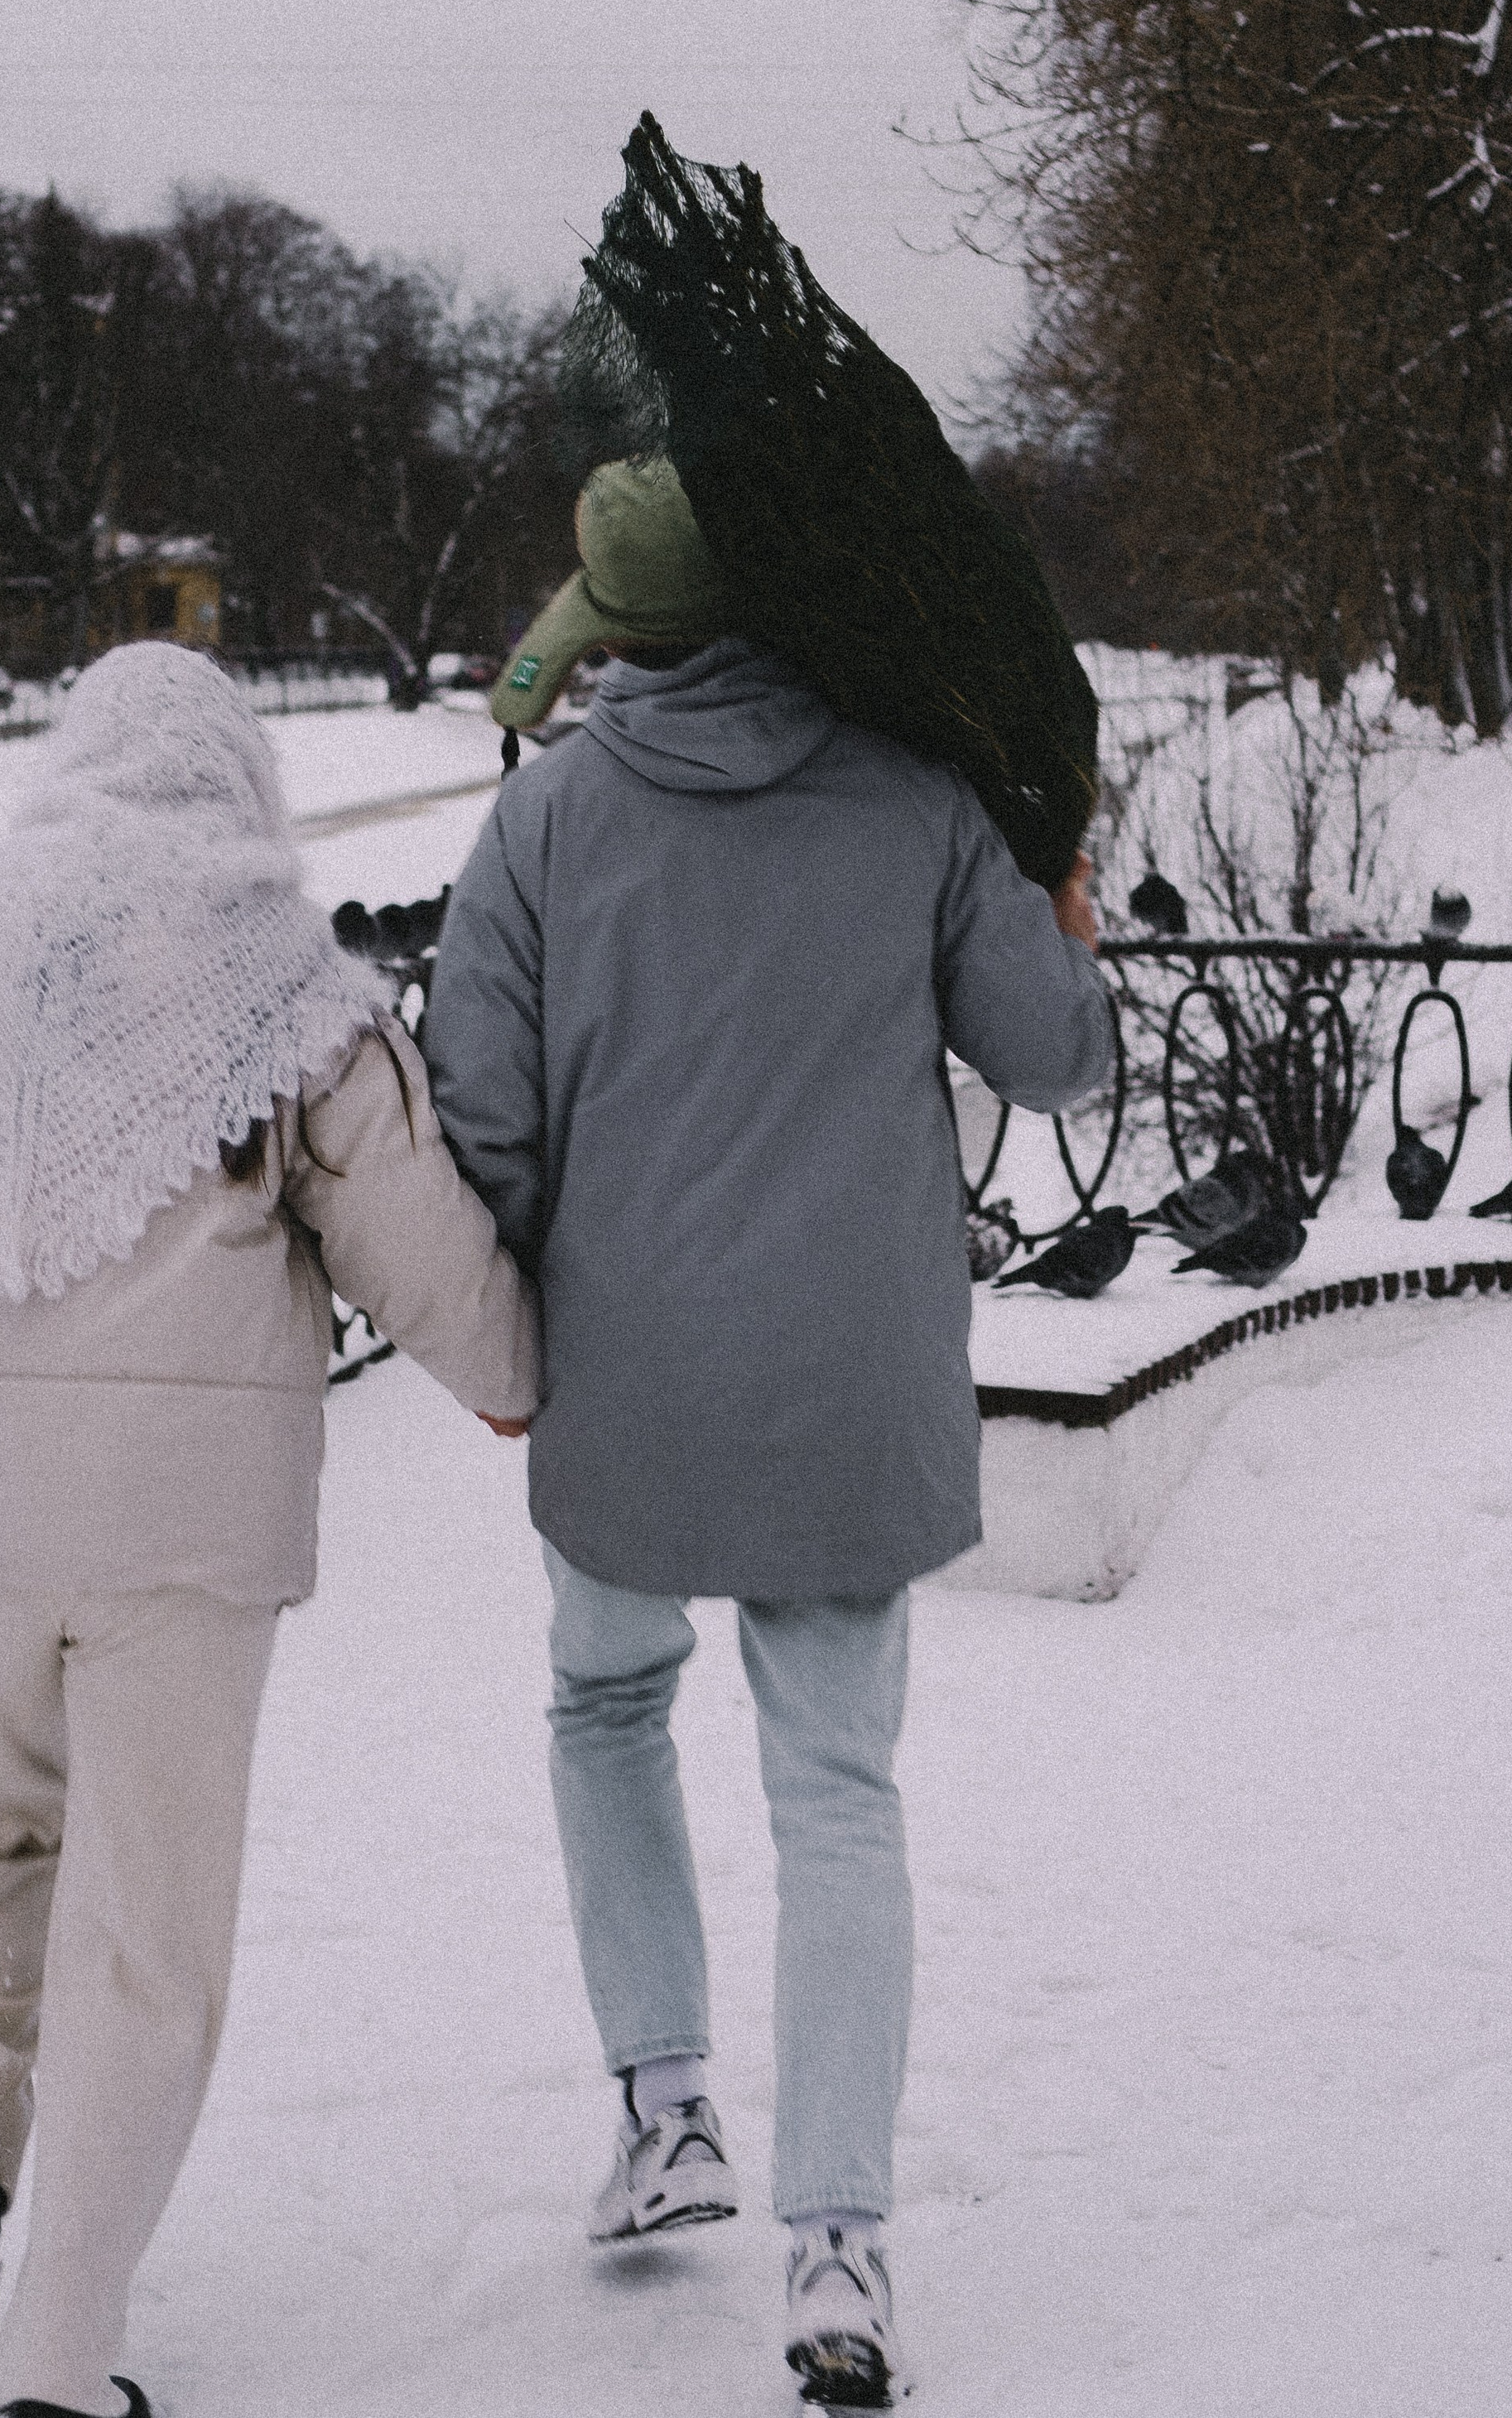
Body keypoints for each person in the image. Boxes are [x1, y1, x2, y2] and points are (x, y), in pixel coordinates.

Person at [0, 642, 538, 2418]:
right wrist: (510, 1377)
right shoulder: (292, 992)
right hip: (182, 1542)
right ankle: (61, 2358)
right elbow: (414, 1237)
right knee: (145, 1926)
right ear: (234, 781)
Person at [421, 457, 1110, 2411]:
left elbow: (478, 1128)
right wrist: (1057, 904)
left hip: (622, 1378)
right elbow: (1052, 1058)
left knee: (604, 1701)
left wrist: (515, 1328)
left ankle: (664, 2113)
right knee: (836, 1792)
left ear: (609, 630)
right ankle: (836, 2251)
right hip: (846, 1382)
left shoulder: (542, 823)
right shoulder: (913, 796)